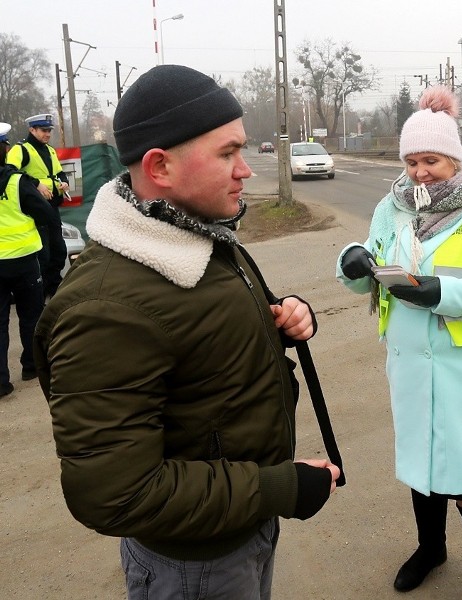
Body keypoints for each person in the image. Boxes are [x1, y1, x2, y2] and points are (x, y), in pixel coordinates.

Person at [33, 65, 341, 600]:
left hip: (240, 530)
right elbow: (116, 493)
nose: (245, 170)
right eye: (227, 154)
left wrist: (284, 317)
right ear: (161, 167)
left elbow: (209, 331)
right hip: (193, 568)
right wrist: (279, 487)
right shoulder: (107, 306)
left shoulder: (197, 236)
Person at [336, 85, 462, 599]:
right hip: (409, 364)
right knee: (422, 468)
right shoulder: (391, 208)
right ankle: (431, 549)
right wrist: (351, 260)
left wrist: (440, 293)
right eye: (413, 161)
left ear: (455, 158)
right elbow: (364, 272)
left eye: (433, 160)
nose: (420, 172)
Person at [0, 122, 54, 397]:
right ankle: (31, 366)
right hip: (23, 260)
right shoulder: (17, 182)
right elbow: (45, 213)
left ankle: (0, 382)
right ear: (4, 149)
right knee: (31, 316)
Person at [5, 114, 68, 297]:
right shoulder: (21, 149)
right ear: (32, 130)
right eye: (43, 130)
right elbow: (10, 171)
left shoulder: (50, 150)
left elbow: (59, 173)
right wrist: (35, 184)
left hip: (52, 207)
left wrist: (64, 183)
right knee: (44, 256)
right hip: (35, 210)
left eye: (49, 130)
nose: (48, 134)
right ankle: (40, 294)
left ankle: (54, 292)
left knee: (58, 252)